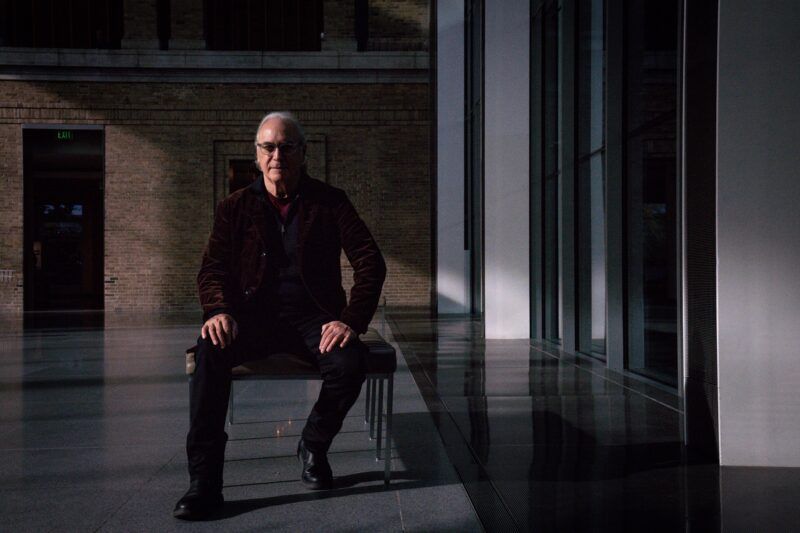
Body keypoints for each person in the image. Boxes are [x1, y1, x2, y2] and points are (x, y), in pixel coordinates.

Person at [174, 111, 386, 520]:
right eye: (269, 147)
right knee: (209, 353)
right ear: (257, 156)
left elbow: (370, 262)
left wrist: (350, 319)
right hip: (251, 317)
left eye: (287, 147)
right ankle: (204, 482)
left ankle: (313, 444)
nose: (277, 156)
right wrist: (218, 310)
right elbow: (212, 268)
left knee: (348, 362)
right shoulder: (234, 207)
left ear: (303, 153)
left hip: (314, 317)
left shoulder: (331, 201)